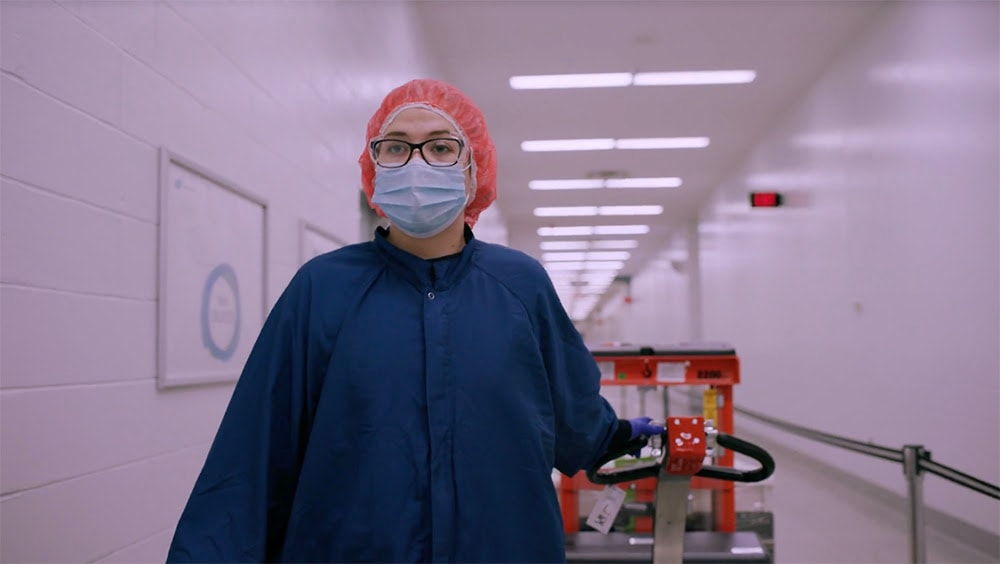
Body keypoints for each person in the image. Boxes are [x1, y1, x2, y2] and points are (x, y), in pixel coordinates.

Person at [166, 78, 664, 563]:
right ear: (374, 168)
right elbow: (251, 458)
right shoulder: (322, 290)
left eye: (442, 148)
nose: (418, 163)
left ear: (473, 171)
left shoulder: (520, 286)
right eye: (397, 148)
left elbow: (574, 421)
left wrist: (625, 438)